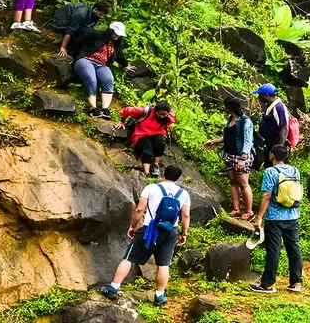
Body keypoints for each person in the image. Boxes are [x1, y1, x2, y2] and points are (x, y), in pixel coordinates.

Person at [100, 162, 190, 307]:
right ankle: (159, 296)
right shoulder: (183, 194)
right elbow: (185, 216)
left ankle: (113, 288)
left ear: (163, 174)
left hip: (150, 229)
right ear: (178, 178)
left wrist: (133, 226)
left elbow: (139, 209)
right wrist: (184, 233)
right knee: (164, 264)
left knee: (129, 258)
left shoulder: (152, 188)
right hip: (170, 232)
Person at [250, 145, 303, 294]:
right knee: (294, 248)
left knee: (274, 250)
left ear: (272, 155)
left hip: (275, 217)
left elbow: (267, 196)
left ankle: (268, 284)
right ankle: (296, 282)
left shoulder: (270, 172)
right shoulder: (295, 170)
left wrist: (259, 217)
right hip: (293, 215)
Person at [203, 98, 255, 220]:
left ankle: (249, 211)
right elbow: (228, 136)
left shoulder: (246, 121)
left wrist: (243, 158)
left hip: (242, 156)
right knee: (233, 181)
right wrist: (215, 141)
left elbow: (248, 141)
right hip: (230, 154)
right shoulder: (230, 119)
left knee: (243, 182)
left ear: (230, 107)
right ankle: (236, 209)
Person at [72, 22, 129, 119]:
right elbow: (78, 42)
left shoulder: (117, 44)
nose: (116, 36)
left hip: (102, 65)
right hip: (86, 60)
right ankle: (93, 108)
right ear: (110, 31)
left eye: (119, 34)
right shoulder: (95, 34)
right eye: (115, 33)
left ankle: (105, 109)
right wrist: (75, 56)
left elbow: (120, 56)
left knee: (108, 80)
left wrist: (126, 65)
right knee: (91, 79)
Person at [116, 101, 176, 178]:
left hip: (157, 133)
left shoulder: (170, 116)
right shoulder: (145, 111)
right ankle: (147, 173)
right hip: (141, 134)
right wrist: (122, 122)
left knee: (160, 143)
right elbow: (126, 110)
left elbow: (167, 125)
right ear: (155, 110)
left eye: (164, 115)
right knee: (147, 149)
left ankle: (155, 165)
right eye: (160, 114)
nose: (162, 116)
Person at [254, 83, 290, 168]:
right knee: (268, 167)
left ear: (266, 95)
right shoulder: (270, 106)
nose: (258, 97)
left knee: (276, 168)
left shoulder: (279, 108)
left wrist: (279, 148)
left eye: (260, 95)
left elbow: (284, 128)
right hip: (269, 145)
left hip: (276, 146)